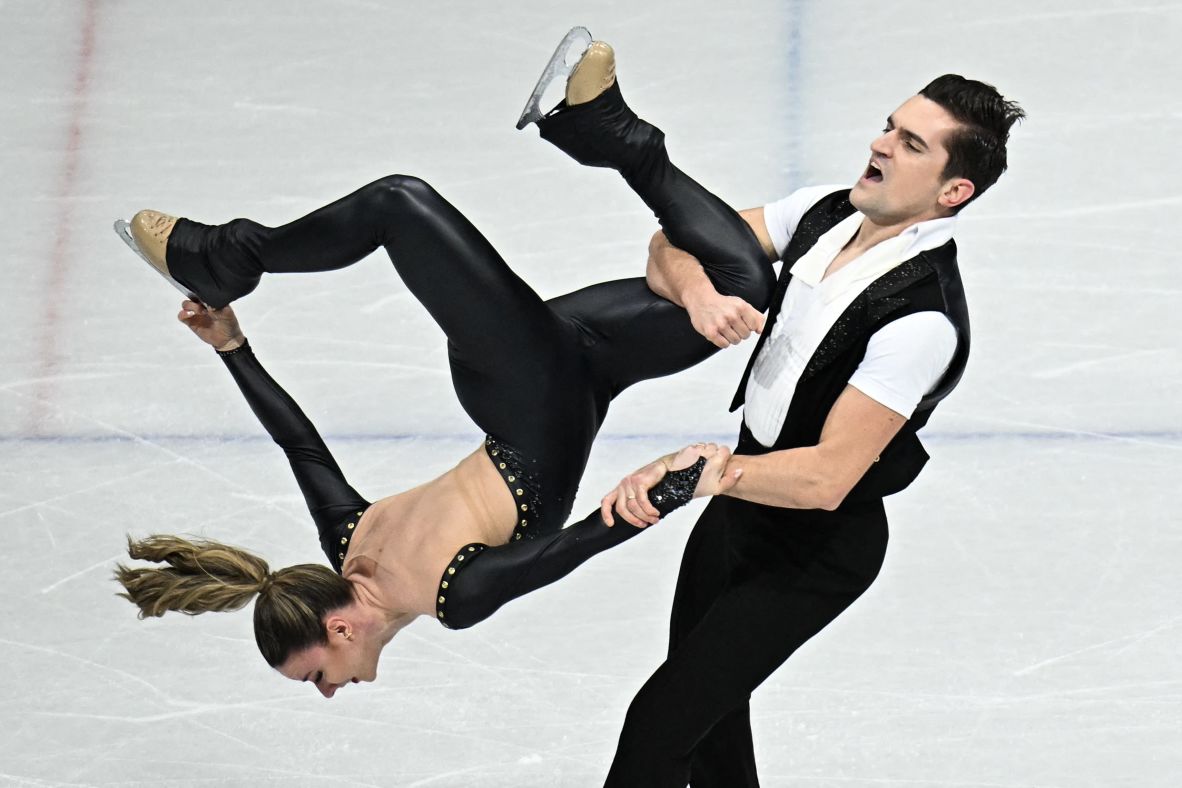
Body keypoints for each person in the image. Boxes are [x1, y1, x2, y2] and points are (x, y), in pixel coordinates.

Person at [113, 37, 776, 699]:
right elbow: (300, 443)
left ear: (340, 630)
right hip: (585, 374)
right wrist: (231, 346)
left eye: (315, 674)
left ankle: (229, 256)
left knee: (399, 204)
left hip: (525, 391)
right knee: (741, 287)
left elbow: (572, 545)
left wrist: (666, 495)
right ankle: (599, 128)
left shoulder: (446, 592)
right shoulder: (350, 540)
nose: (326, 689)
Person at [578, 73, 1025, 785]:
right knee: (713, 727)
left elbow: (825, 479)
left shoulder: (920, 318)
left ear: (953, 192)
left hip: (817, 547)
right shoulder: (822, 213)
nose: (879, 145)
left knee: (660, 725)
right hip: (738, 512)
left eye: (910, 144)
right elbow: (672, 241)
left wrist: (708, 473)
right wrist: (697, 294)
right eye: (889, 125)